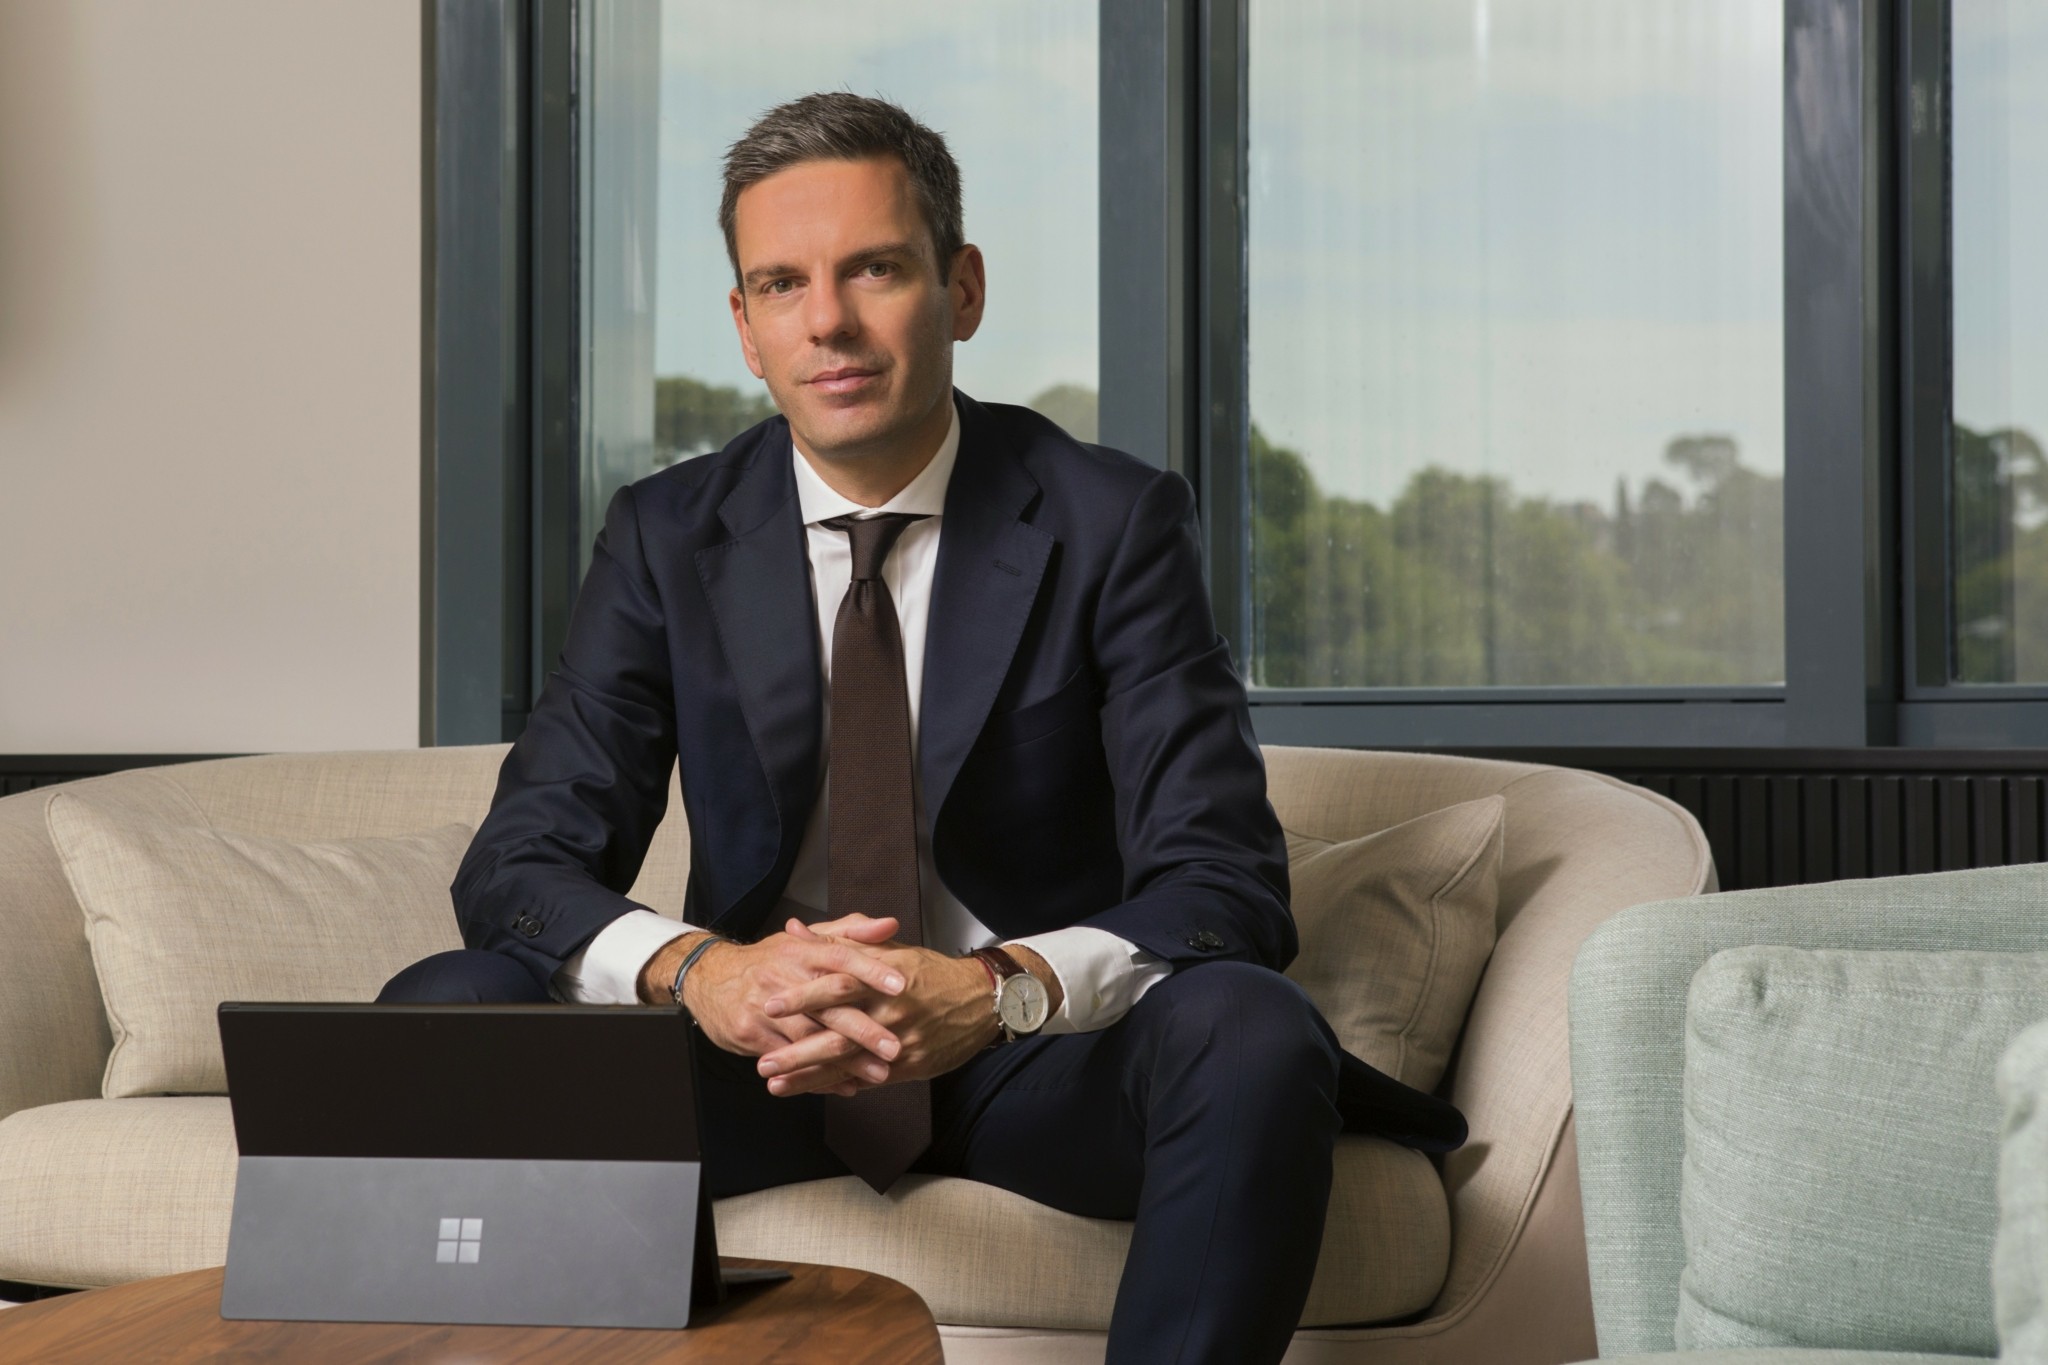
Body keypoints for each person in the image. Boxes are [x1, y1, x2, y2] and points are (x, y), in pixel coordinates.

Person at [380, 91, 1463, 1365]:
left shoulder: (1112, 524)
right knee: (447, 1004)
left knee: (1250, 1027)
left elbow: (1223, 885)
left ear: (961, 289)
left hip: (1031, 1064)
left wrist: (995, 991)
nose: (826, 322)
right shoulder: (664, 536)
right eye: (781, 284)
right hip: (759, 1060)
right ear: (744, 327)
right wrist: (707, 976)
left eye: (874, 270)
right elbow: (518, 867)